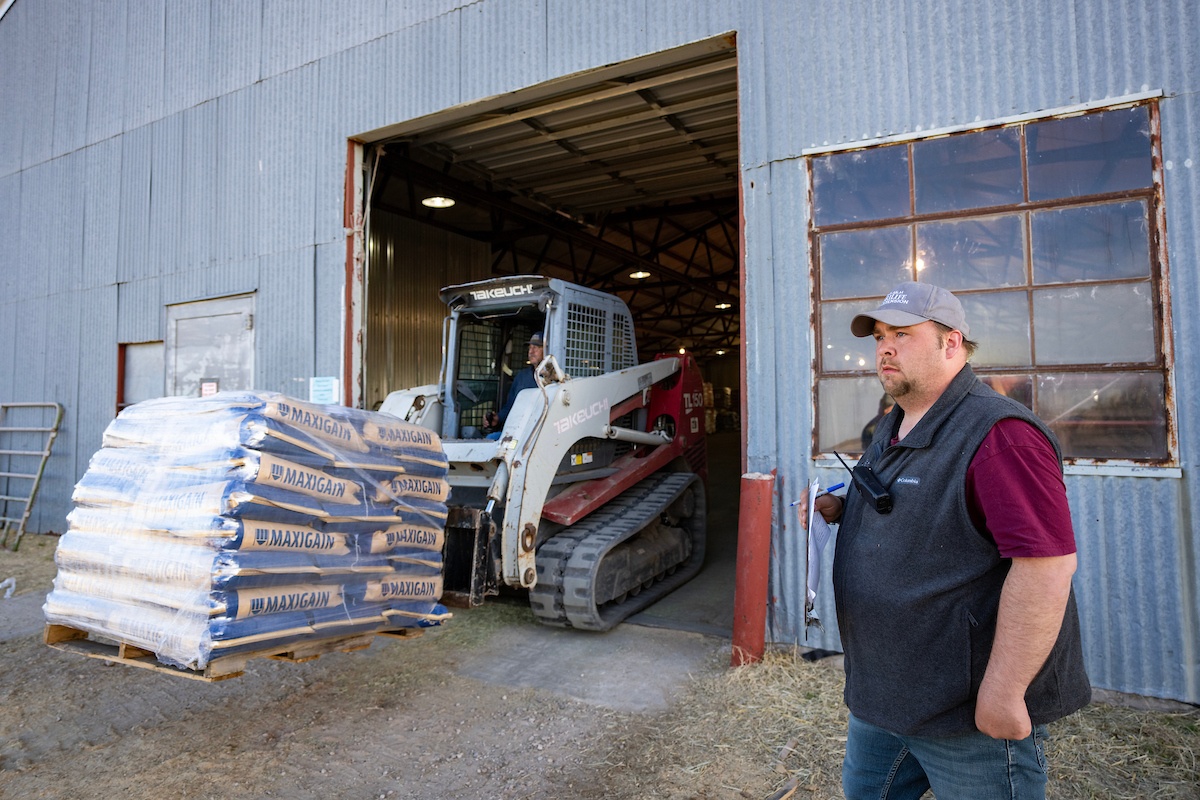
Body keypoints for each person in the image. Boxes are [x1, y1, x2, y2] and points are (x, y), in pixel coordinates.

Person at [799, 281, 1091, 799]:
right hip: (884, 697)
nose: (884, 347)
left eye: (903, 334)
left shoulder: (1001, 436)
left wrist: (1003, 694)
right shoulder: (894, 423)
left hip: (965, 714)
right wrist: (842, 509)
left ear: (951, 343)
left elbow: (1046, 567)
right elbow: (916, 500)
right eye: (880, 336)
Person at [483, 332, 544, 437]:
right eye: (530, 347)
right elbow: (510, 406)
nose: (531, 351)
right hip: (518, 431)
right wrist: (497, 418)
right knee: (491, 438)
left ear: (547, 350)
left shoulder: (555, 377)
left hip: (540, 432)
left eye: (536, 347)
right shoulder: (522, 377)